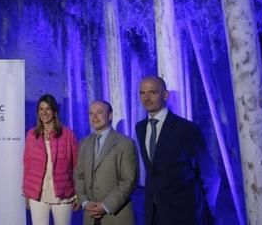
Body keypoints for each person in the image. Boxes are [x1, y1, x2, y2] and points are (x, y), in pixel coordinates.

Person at [135, 76, 221, 225]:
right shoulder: (140, 128)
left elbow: (210, 176)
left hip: (186, 213)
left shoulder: (187, 129)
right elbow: (153, 170)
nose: (146, 98)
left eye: (152, 92)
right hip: (154, 213)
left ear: (165, 95)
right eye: (142, 93)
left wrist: (205, 212)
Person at [74, 100, 138, 225]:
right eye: (91, 113)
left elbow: (128, 181)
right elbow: (79, 176)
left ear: (110, 115)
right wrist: (85, 202)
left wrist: (105, 206)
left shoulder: (125, 143)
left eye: (99, 112)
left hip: (116, 216)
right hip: (90, 216)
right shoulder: (84, 143)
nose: (94, 117)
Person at [23, 94, 78, 225]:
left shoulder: (68, 134)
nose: (44, 112)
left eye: (48, 109)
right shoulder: (31, 135)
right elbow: (27, 164)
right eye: (41, 109)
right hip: (38, 193)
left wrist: (78, 194)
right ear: (37, 112)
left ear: (54, 112)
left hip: (63, 193)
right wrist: (27, 192)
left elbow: (77, 165)